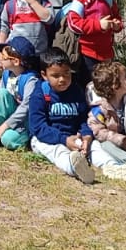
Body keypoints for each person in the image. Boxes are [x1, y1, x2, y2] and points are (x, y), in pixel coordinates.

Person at [27, 48, 97, 185]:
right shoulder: (40, 94)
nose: (62, 79)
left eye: (66, 74)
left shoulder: (76, 91)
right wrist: (63, 140)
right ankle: (73, 167)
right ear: (44, 75)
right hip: (47, 139)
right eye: (56, 75)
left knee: (95, 147)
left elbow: (83, 118)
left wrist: (86, 136)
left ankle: (113, 166)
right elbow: (38, 127)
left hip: (73, 137)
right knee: (58, 152)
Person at [83, 60, 126, 181]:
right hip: (116, 145)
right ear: (115, 86)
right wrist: (120, 139)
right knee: (105, 146)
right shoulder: (100, 109)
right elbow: (98, 131)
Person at [60, 0, 122, 91]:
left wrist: (117, 24)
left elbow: (116, 15)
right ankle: (87, 109)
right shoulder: (80, 0)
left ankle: (105, 109)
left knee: (106, 83)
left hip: (106, 51)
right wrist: (98, 25)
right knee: (89, 84)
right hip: (87, 53)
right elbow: (73, 23)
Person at [0, 39, 41, 150]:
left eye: (4, 57)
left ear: (16, 62)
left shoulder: (31, 80)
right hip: (11, 116)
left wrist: (6, 125)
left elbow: (26, 108)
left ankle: (27, 139)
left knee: (8, 139)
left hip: (26, 121)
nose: (1, 60)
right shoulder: (6, 74)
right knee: (0, 94)